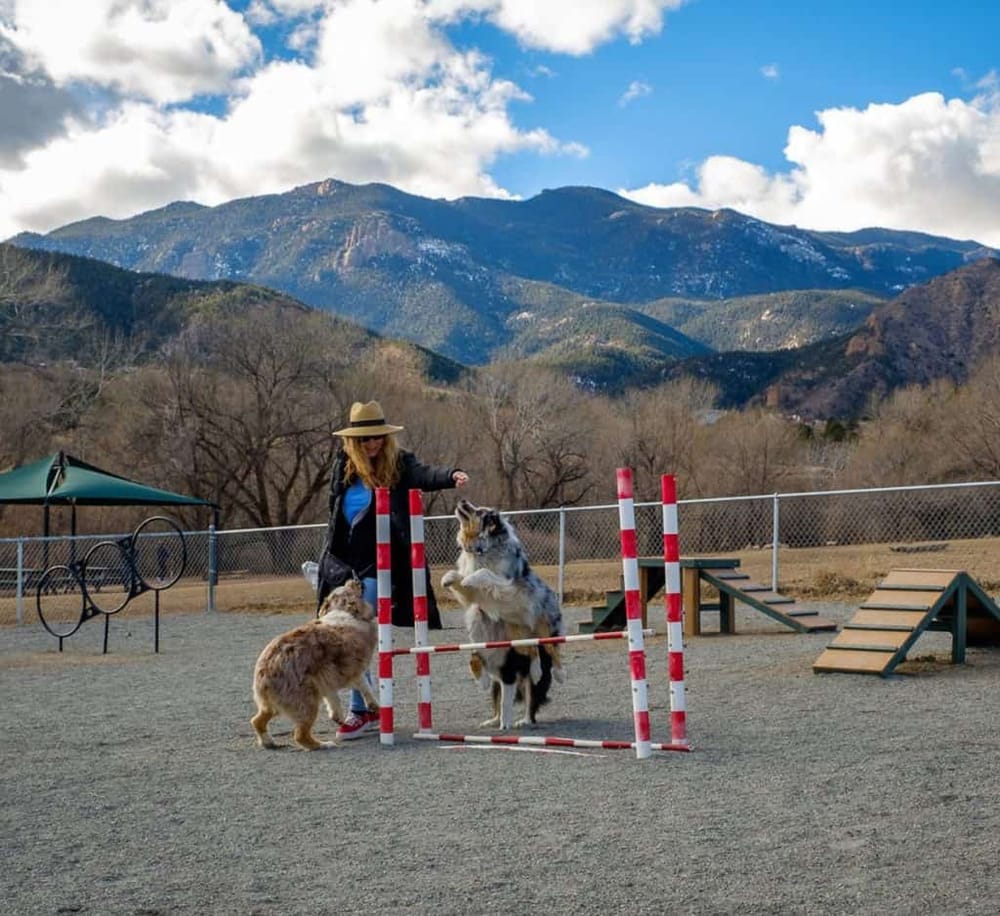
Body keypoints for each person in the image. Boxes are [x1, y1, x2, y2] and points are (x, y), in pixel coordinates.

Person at [316, 400, 468, 739]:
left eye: (378, 438)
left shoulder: (399, 463)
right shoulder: (342, 466)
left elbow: (424, 474)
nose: (373, 444)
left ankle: (361, 709)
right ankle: (368, 708)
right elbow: (333, 513)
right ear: (353, 442)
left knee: (355, 630)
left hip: (381, 562)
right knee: (341, 633)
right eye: (366, 439)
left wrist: (449, 475)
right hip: (343, 562)